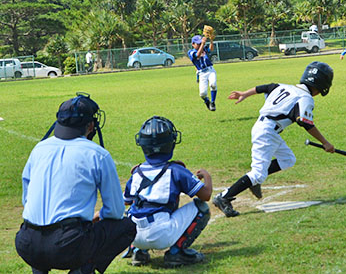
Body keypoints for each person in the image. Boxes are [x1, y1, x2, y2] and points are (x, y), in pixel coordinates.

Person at [15, 93, 136, 274]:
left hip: (26, 242)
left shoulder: (39, 148)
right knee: (126, 227)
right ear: (90, 125)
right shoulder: (97, 154)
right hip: (67, 245)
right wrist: (92, 218)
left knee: (42, 231)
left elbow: (27, 200)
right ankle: (82, 270)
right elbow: (115, 212)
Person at [212, 61, 335, 217]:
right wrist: (325, 142)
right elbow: (305, 122)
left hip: (267, 129)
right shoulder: (305, 98)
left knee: (288, 159)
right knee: (257, 173)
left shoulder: (284, 86)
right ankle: (223, 198)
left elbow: (264, 87)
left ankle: (254, 182)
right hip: (267, 132)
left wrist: (244, 93)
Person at [122, 116, 212, 268]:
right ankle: (176, 253)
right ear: (171, 143)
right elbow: (206, 195)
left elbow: (126, 201)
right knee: (201, 208)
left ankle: (138, 251)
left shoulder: (136, 172)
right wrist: (207, 177)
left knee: (133, 209)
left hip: (132, 235)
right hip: (161, 234)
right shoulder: (176, 170)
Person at [188, 34, 218, 111]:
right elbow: (197, 55)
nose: (200, 45)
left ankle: (213, 102)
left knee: (213, 84)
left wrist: (211, 40)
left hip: (210, 70)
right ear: (192, 44)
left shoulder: (203, 48)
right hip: (202, 74)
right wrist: (203, 44)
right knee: (202, 94)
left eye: (200, 43)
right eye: (198, 43)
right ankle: (207, 101)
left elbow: (211, 49)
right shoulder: (191, 52)